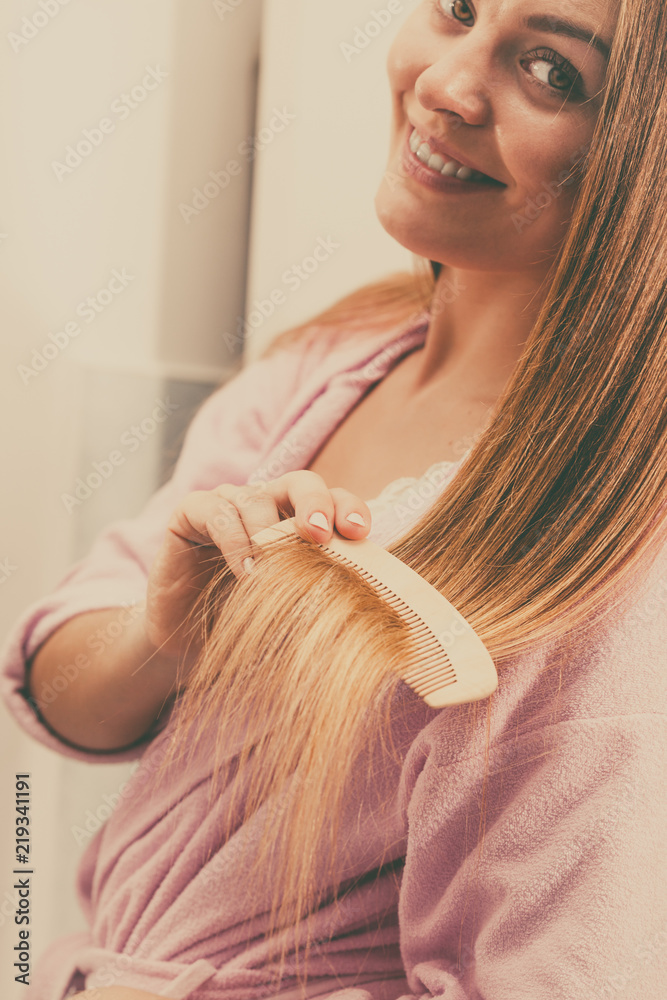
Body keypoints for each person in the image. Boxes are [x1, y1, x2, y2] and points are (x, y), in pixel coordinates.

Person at [2, 1, 666, 997]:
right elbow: (53, 689)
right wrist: (162, 636)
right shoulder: (328, 364)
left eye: (548, 71)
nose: (445, 84)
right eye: (456, 9)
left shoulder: (605, 559)